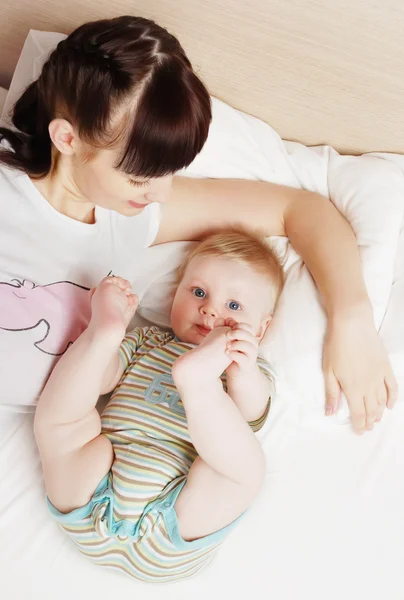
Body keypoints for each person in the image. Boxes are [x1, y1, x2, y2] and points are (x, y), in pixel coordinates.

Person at [0, 15, 396, 432]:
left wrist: (352, 320)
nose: (162, 193)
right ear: (67, 139)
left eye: (170, 172)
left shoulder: (132, 215)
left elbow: (301, 210)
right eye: (139, 177)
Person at [34, 229, 283, 582]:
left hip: (177, 522)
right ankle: (100, 334)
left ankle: (199, 386)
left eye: (233, 306)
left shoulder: (247, 369)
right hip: (90, 497)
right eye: (198, 292)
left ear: (260, 329)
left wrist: (240, 370)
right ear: (174, 295)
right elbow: (101, 380)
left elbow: (251, 413)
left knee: (244, 471)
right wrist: (110, 339)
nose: (210, 309)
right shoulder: (146, 341)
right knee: (60, 422)